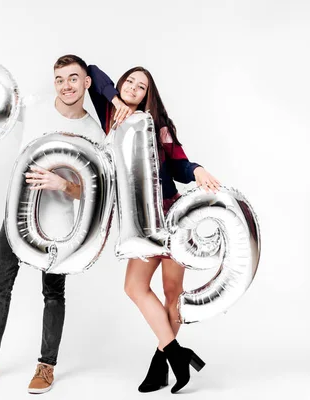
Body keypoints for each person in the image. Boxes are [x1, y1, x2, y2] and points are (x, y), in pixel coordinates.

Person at [0, 55, 105, 394]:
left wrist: (64, 185)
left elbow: (96, 190)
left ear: (86, 82)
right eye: (60, 79)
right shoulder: (35, 107)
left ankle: (46, 366)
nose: (66, 85)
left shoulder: (93, 132)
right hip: (17, 217)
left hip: (59, 225)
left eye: (73, 78)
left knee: (53, 294)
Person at [87, 64, 221, 393]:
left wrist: (198, 168)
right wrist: (115, 98)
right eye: (129, 81)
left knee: (172, 293)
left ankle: (161, 363)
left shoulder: (159, 126)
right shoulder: (110, 115)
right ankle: (177, 355)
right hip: (141, 223)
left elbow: (178, 164)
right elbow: (91, 70)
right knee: (135, 287)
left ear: (149, 94)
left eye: (141, 86)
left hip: (170, 217)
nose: (133, 87)